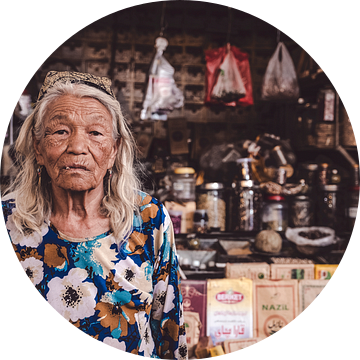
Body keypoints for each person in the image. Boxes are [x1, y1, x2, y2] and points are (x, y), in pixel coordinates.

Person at [1, 71, 187, 359]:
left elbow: (170, 329)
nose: (77, 147)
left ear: (113, 151)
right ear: (38, 148)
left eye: (95, 133)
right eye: (60, 131)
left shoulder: (148, 219)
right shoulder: (8, 219)